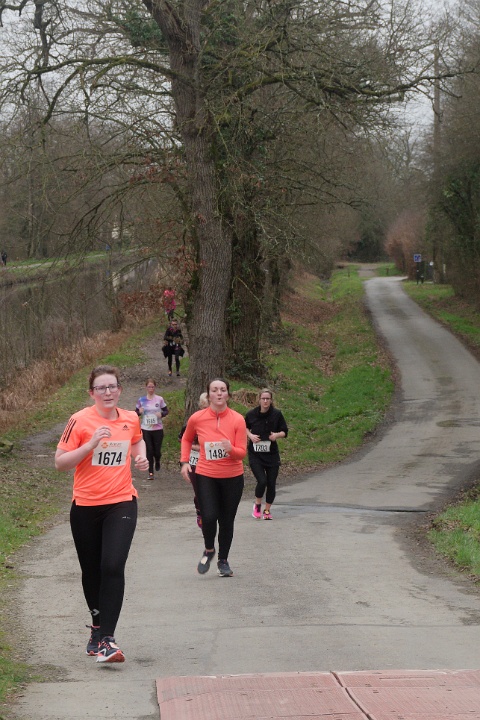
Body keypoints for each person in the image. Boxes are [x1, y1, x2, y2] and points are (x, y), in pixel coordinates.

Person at [54, 365, 149, 664]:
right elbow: (60, 463)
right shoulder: (79, 420)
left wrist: (141, 456)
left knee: (112, 565)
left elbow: (136, 440)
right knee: (92, 571)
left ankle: (108, 639)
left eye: (112, 387)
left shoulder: (130, 418)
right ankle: (97, 627)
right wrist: (91, 444)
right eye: (101, 388)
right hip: (85, 507)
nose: (108, 392)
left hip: (121, 502)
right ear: (92, 393)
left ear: (120, 389)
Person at [180, 378, 247, 577]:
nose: (219, 393)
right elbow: (186, 438)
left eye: (223, 390)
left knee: (226, 520)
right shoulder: (197, 418)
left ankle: (223, 561)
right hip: (206, 475)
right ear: (208, 395)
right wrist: (184, 462)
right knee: (208, 516)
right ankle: (209, 549)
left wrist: (231, 449)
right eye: (215, 390)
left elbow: (242, 453)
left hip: (232, 477)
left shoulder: (237, 419)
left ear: (228, 394)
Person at [245, 388, 288, 520]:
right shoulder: (251, 414)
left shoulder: (276, 414)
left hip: (271, 454)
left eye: (267, 399)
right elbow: (244, 427)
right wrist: (250, 436)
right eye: (263, 398)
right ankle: (257, 504)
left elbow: (284, 431)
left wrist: (276, 435)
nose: (265, 401)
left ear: (271, 400)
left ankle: (267, 510)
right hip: (255, 453)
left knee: (271, 482)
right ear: (259, 400)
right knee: (262, 481)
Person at [178, 392, 209, 528]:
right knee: (199, 491)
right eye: (205, 406)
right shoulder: (194, 420)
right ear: (201, 406)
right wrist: (196, 447)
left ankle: (209, 514)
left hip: (210, 462)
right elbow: (182, 438)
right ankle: (200, 512)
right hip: (194, 463)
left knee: (209, 491)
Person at [136, 378, 168, 480]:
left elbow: (166, 411)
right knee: (149, 450)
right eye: (149, 387)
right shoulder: (141, 400)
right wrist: (139, 412)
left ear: (155, 387)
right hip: (146, 429)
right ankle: (150, 472)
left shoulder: (159, 399)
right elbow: (135, 413)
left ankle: (157, 460)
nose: (151, 389)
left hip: (157, 428)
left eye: (152, 387)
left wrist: (161, 414)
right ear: (146, 387)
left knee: (157, 451)